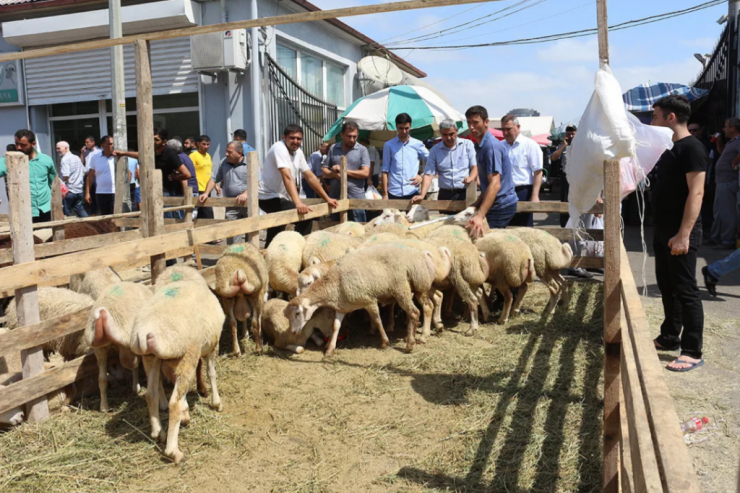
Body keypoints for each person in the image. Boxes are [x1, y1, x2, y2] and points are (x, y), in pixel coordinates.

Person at [650, 94, 707, 372]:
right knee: (667, 286)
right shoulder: (667, 148)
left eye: (655, 116)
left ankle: (692, 350)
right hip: (663, 230)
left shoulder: (692, 148)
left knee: (685, 290)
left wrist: (684, 234)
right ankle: (669, 336)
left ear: (671, 117)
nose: (652, 122)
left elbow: (696, 193)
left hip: (681, 231)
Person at [258, 124, 338, 246]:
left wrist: (327, 198)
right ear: (284, 137)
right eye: (292, 138)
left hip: (280, 197)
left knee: (278, 225)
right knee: (305, 217)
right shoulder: (279, 148)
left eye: (299, 139)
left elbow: (310, 176)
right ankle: (297, 246)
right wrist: (298, 203)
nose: (295, 141)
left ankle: (271, 250)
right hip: (267, 196)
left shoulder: (298, 152)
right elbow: (287, 176)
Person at [464, 106, 517, 237]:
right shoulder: (479, 145)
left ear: (486, 122)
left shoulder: (490, 147)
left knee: (485, 240)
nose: (471, 127)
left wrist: (480, 215)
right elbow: (488, 185)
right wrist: (477, 203)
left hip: (501, 205)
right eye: (469, 123)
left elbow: (495, 184)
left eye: (475, 122)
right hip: (495, 202)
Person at [411, 119, 477, 205]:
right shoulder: (435, 150)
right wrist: (422, 195)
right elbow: (428, 174)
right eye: (445, 135)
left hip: (465, 193)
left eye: (451, 134)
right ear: (440, 133)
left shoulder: (467, 145)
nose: (448, 138)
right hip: (445, 194)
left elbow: (474, 167)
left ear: (457, 131)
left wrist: (471, 178)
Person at [198, 141, 251, 244]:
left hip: (248, 204)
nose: (226, 154)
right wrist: (206, 192)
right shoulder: (224, 162)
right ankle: (234, 253)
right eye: (226, 151)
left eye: (229, 152)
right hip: (231, 204)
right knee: (232, 232)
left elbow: (257, 182)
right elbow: (214, 178)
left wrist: (245, 193)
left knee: (251, 233)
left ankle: (250, 253)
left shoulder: (250, 162)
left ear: (239, 153)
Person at [322, 121, 370, 223]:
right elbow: (324, 171)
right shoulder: (333, 148)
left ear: (358, 135)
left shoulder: (362, 150)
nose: (352, 139)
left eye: (354, 136)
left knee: (359, 227)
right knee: (336, 227)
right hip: (336, 197)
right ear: (342, 135)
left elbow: (365, 173)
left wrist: (343, 171)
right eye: (349, 136)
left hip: (356, 198)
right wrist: (334, 174)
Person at [501, 114, 543, 227]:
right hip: (503, 192)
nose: (505, 132)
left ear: (518, 127)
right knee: (505, 227)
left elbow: (538, 172)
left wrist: (535, 195)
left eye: (508, 129)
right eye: (503, 129)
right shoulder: (500, 146)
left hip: (522, 192)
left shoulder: (530, 145)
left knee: (524, 227)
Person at [707, 118, 740, 249]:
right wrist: (718, 142)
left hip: (728, 181)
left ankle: (727, 240)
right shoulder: (732, 142)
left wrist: (735, 161)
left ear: (733, 128)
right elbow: (722, 152)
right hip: (721, 181)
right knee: (719, 212)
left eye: (726, 126)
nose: (723, 129)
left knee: (727, 212)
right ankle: (716, 237)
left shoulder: (738, 141)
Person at [382, 113, 429, 200]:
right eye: (401, 128)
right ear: (396, 127)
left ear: (410, 126)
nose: (404, 131)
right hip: (394, 192)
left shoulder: (418, 144)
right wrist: (385, 194)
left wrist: (422, 176)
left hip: (412, 191)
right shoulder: (388, 145)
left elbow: (431, 162)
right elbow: (385, 170)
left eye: (406, 128)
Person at [14, 130, 57, 223]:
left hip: (46, 209)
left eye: (23, 145)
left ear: (33, 144)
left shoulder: (46, 160)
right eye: (16, 144)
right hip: (25, 211)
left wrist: (58, 207)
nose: (18, 147)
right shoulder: (12, 161)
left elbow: (54, 183)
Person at [85, 136, 120, 216]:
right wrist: (87, 193)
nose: (112, 146)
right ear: (103, 146)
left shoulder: (118, 157)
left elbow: (127, 173)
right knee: (105, 217)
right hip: (101, 193)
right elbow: (90, 176)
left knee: (116, 216)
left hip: (116, 192)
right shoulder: (95, 157)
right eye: (110, 144)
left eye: (113, 144)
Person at [552, 124, 577, 228]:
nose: (571, 136)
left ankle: (576, 223)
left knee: (576, 199)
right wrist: (564, 145)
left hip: (577, 176)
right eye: (568, 134)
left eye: (573, 134)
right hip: (565, 176)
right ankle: (564, 225)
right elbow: (553, 157)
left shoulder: (581, 145)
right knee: (565, 200)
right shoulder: (562, 145)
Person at [189, 135, 218, 221]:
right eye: (204, 144)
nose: (206, 146)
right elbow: (190, 172)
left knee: (203, 214)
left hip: (207, 188)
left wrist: (215, 185)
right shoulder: (193, 156)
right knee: (207, 213)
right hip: (198, 188)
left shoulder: (208, 156)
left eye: (208, 144)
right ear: (198, 144)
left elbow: (210, 172)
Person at [57, 141, 88, 217]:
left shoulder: (65, 159)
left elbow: (66, 176)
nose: (57, 150)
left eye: (58, 148)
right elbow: (84, 172)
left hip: (69, 191)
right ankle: (91, 223)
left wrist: (58, 181)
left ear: (66, 148)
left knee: (65, 214)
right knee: (80, 210)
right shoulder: (76, 157)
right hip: (79, 190)